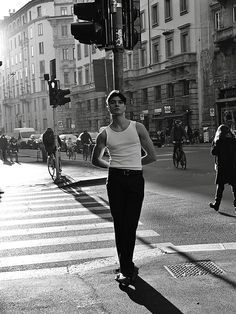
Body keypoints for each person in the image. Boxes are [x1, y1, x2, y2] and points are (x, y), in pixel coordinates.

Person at [91, 90, 156, 286]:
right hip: (116, 181)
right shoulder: (104, 133)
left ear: (125, 106)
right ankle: (126, 268)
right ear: (108, 107)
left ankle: (126, 266)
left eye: (120, 102)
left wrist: (133, 164)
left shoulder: (138, 128)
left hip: (135, 179)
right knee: (120, 225)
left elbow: (151, 155)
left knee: (131, 224)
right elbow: (96, 159)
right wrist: (114, 167)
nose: (117, 105)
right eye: (113, 102)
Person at [209, 112, 236, 212]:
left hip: (222, 164)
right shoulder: (233, 134)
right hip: (232, 164)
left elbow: (214, 151)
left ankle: (217, 204)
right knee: (234, 186)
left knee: (220, 185)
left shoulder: (220, 131)